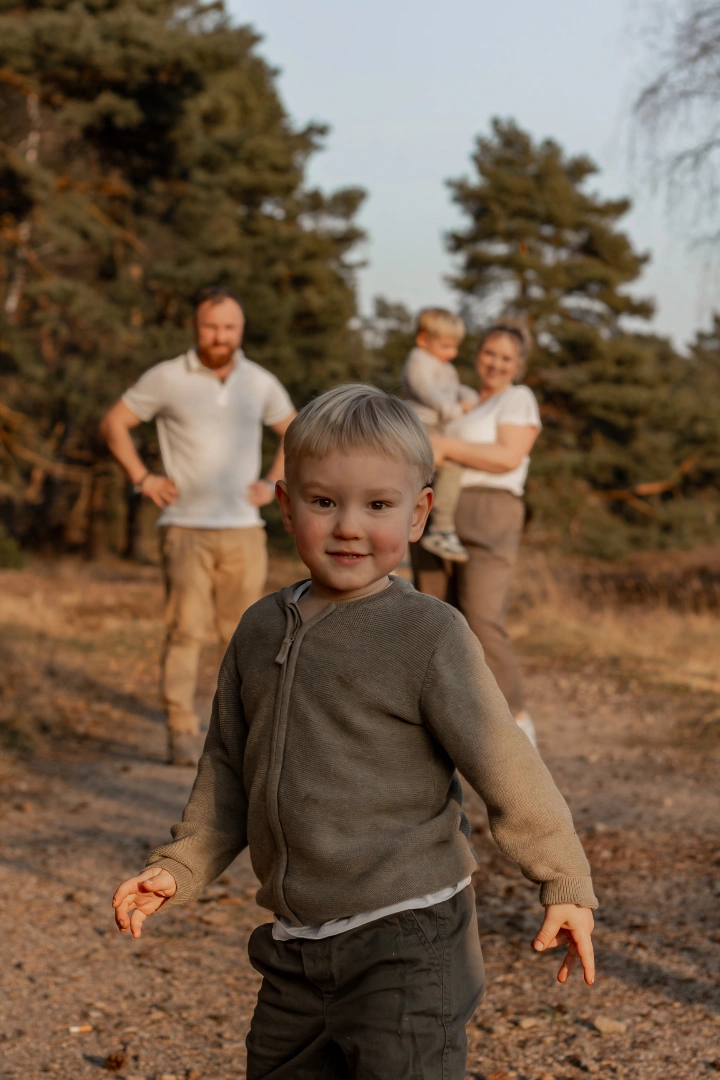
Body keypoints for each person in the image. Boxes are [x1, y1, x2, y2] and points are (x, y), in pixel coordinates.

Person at [112, 384, 596, 1080]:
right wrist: (181, 864)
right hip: (295, 945)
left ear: (420, 512)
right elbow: (227, 763)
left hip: (409, 936)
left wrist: (566, 883)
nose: (348, 526)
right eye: (323, 502)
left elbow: (505, 763)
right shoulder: (258, 629)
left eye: (377, 505)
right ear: (285, 506)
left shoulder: (427, 633)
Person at [100, 286, 296, 766]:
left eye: (229, 327)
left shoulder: (259, 381)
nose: (220, 336)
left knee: (246, 635)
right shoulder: (167, 377)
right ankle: (181, 732)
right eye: (211, 326)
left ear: (241, 330)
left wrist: (274, 481)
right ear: (196, 326)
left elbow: (296, 428)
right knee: (185, 632)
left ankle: (245, 736)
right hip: (185, 527)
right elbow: (114, 423)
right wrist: (142, 478)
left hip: (243, 529)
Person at [431, 319, 541, 748]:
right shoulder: (465, 402)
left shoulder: (518, 399)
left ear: (519, 365)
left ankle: (518, 725)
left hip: (491, 509)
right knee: (434, 616)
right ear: (476, 355)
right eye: (489, 354)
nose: (495, 363)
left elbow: (508, 456)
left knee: (481, 617)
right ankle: (447, 724)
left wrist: (445, 447)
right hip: (441, 509)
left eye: (506, 358)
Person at [402, 307, 478, 562]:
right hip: (421, 424)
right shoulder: (418, 360)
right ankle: (441, 527)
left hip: (438, 427)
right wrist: (454, 410)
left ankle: (426, 526)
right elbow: (425, 390)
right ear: (423, 339)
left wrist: (469, 397)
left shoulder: (447, 368)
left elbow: (456, 389)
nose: (452, 353)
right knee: (433, 470)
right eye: (446, 346)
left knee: (441, 471)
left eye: (455, 346)